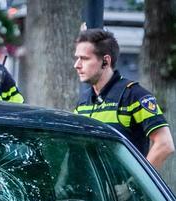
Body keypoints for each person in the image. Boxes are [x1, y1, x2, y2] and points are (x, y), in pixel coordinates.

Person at [73, 29, 174, 170]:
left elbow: (165, 144)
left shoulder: (135, 95)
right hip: (92, 190)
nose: (77, 65)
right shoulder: (83, 102)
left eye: (84, 58)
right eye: (77, 58)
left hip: (124, 190)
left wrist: (134, 184)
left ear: (105, 61)